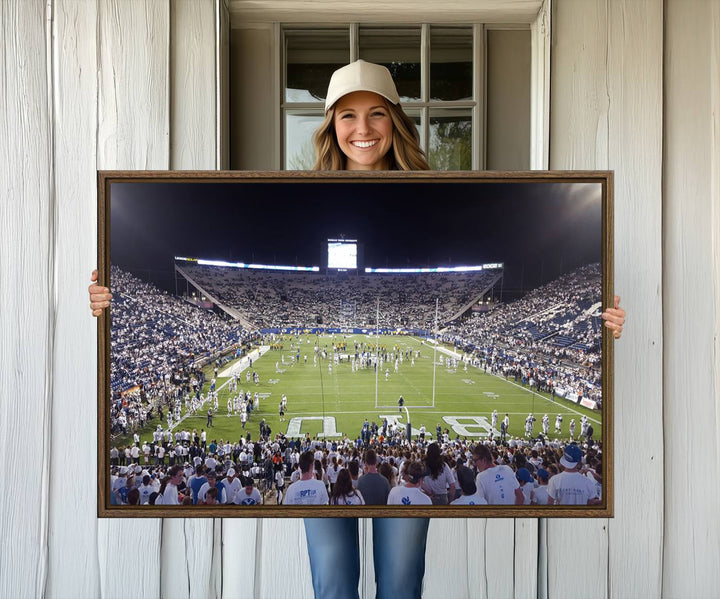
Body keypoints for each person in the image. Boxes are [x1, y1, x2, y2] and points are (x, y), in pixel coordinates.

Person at [87, 59, 626, 598]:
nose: (362, 129)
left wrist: (606, 324)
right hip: (326, 480)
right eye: (347, 116)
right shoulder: (298, 188)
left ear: (395, 120)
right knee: (333, 584)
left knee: (400, 584)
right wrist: (106, 301)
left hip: (399, 479)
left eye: (375, 115)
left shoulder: (432, 192)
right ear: (330, 126)